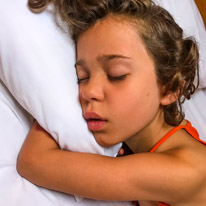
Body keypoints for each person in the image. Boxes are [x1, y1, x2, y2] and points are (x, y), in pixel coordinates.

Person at [17, 0, 206, 205]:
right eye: (81, 77)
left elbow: (34, 161)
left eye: (117, 75)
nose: (88, 91)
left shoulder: (182, 171)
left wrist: (55, 100)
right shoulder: (146, 149)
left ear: (168, 88)